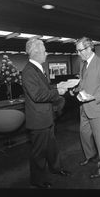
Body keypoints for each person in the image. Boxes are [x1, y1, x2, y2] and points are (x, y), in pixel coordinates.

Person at [22, 39, 71, 189]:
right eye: (44, 50)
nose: (46, 53)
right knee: (39, 152)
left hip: (46, 117)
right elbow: (37, 95)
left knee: (51, 147)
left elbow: (45, 88)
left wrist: (58, 86)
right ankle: (37, 180)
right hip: (38, 120)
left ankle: (56, 168)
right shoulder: (29, 71)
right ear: (36, 52)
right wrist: (58, 92)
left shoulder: (37, 69)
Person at [71, 37, 100, 178]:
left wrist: (93, 97)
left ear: (89, 48)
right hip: (84, 107)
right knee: (84, 134)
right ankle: (91, 155)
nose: (78, 53)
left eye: (80, 50)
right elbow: (83, 82)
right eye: (77, 50)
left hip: (97, 107)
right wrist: (75, 89)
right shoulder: (83, 64)